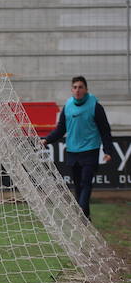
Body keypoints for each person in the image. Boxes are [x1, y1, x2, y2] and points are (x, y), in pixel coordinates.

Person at [40, 76, 117, 219]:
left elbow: (104, 130)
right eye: (75, 87)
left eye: (80, 87)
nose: (77, 90)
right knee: (78, 186)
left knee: (86, 181)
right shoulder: (68, 106)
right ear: (71, 89)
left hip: (90, 150)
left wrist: (108, 150)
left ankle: (80, 210)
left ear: (86, 89)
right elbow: (61, 129)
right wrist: (47, 140)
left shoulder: (95, 106)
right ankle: (85, 218)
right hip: (73, 152)